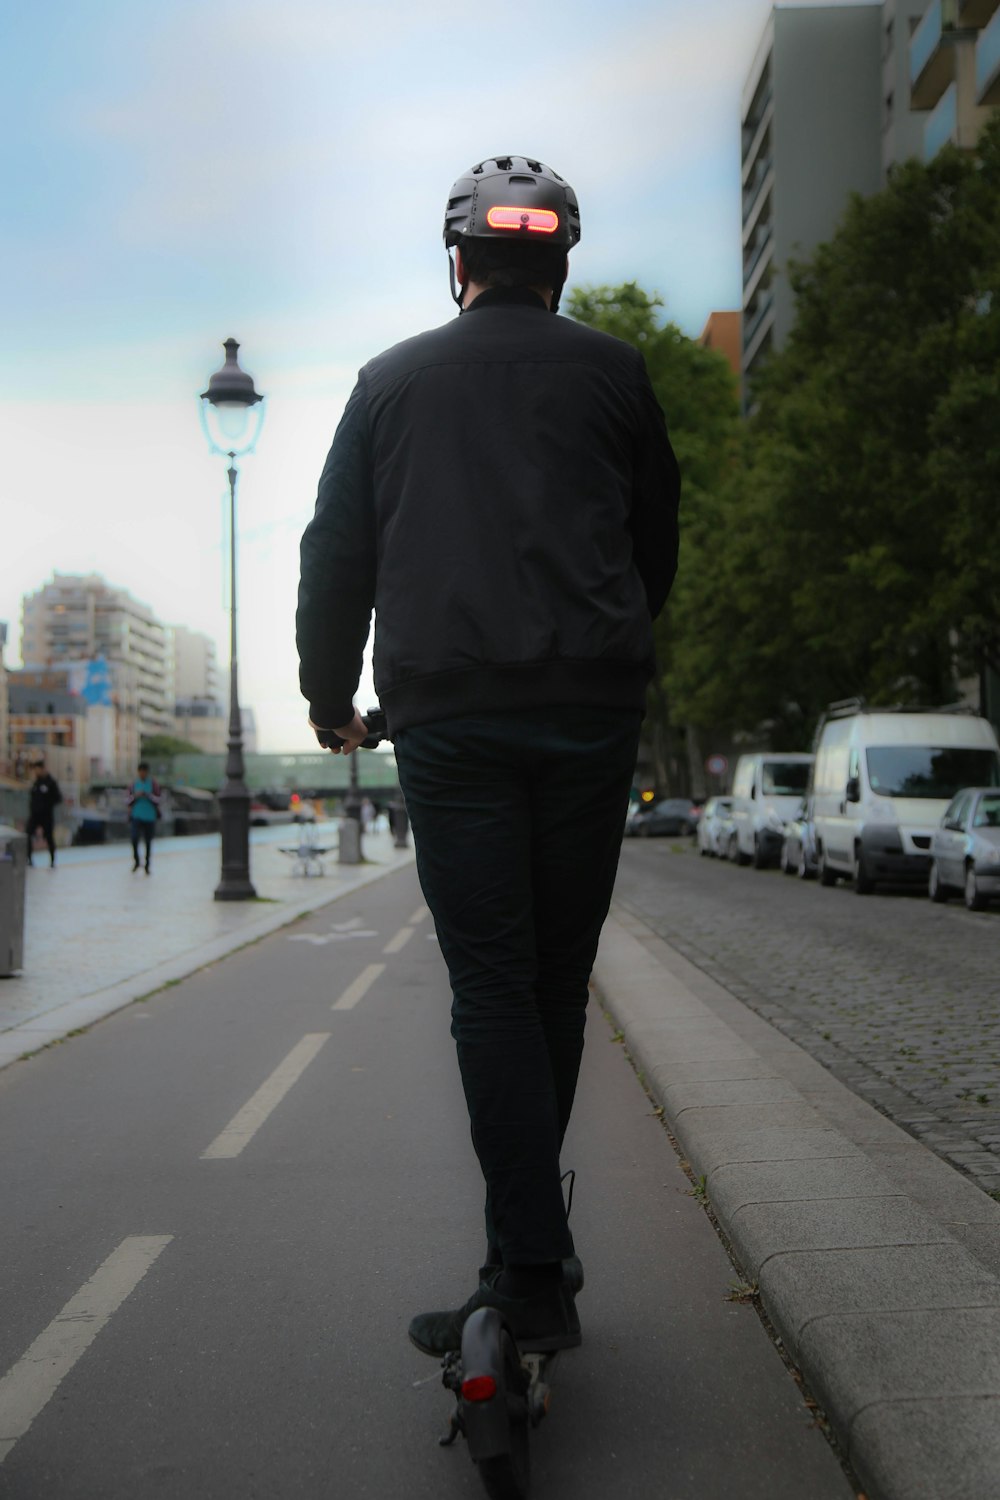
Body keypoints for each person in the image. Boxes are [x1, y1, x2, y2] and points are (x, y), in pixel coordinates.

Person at [297, 156, 681, 1357]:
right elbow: (653, 539)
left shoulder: (387, 384)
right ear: (559, 263)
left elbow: (335, 555)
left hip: (449, 718)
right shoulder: (617, 374)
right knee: (554, 981)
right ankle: (525, 1259)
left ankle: (524, 1262)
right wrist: (606, 650)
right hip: (586, 712)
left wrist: (330, 696)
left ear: (455, 262)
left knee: (491, 986)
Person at [127, 761, 161, 874]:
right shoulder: (133, 784)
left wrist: (148, 795)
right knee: (134, 838)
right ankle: (136, 861)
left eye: (144, 771)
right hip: (136, 816)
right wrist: (136, 796)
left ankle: (147, 864)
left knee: (148, 841)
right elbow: (127, 800)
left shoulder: (153, 784)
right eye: (140, 771)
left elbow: (158, 799)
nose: (142, 774)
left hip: (149, 817)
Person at [26, 760, 62, 868]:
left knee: (49, 837)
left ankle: (52, 860)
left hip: (46, 815)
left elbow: (58, 798)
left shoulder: (51, 782)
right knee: (28, 834)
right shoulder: (36, 783)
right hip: (35, 815)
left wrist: (47, 804)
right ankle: (29, 859)